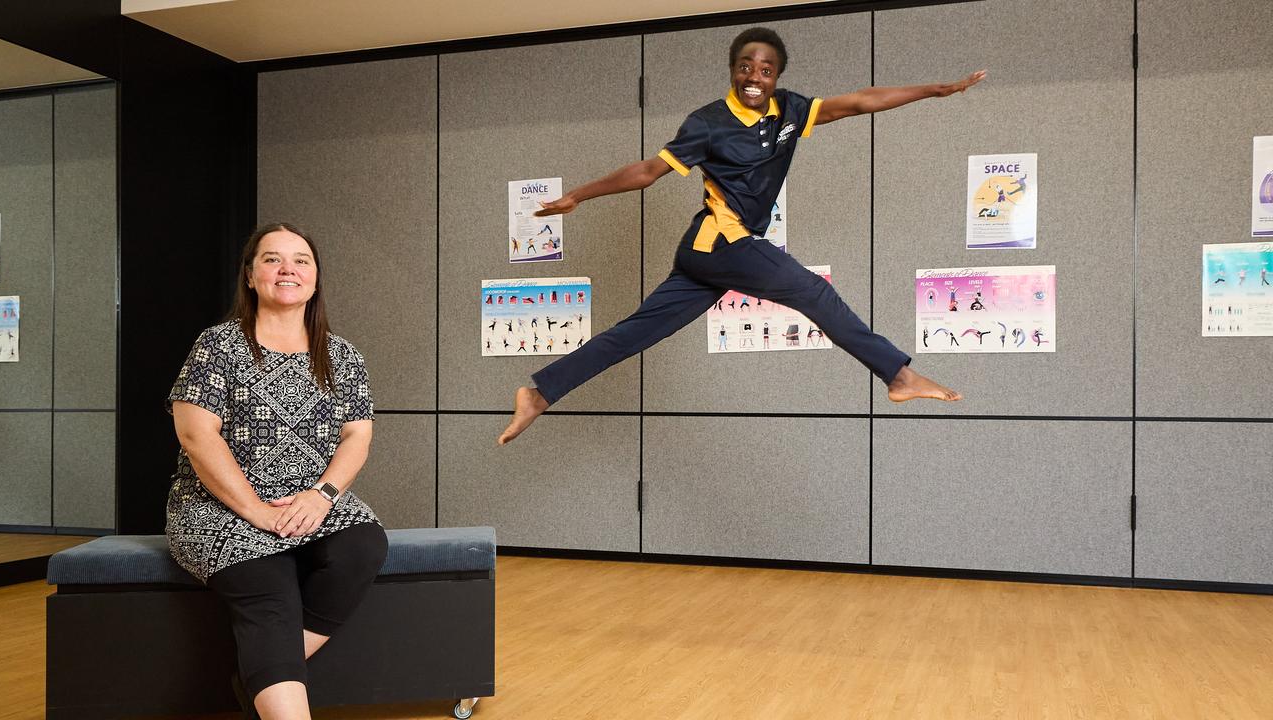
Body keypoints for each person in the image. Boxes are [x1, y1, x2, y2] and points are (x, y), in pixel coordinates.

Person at [499, 27, 976, 444]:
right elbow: (648, 171)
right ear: (733, 70)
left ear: (777, 76)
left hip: (705, 255)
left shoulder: (790, 111)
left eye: (765, 70)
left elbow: (858, 102)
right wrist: (578, 196)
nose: (754, 77)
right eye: (745, 67)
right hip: (723, 241)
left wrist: (936, 91)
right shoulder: (708, 123)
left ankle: (539, 394)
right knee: (813, 291)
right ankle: (899, 374)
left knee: (636, 332)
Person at [166, 223, 386, 720]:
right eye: (271, 259)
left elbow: (358, 436)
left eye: (300, 260)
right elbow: (196, 434)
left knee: (364, 543)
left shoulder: (341, 354)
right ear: (250, 276)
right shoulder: (217, 346)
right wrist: (254, 511)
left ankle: (261, 671)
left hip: (310, 503)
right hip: (219, 508)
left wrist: (322, 494)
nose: (287, 268)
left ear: (315, 279)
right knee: (271, 590)